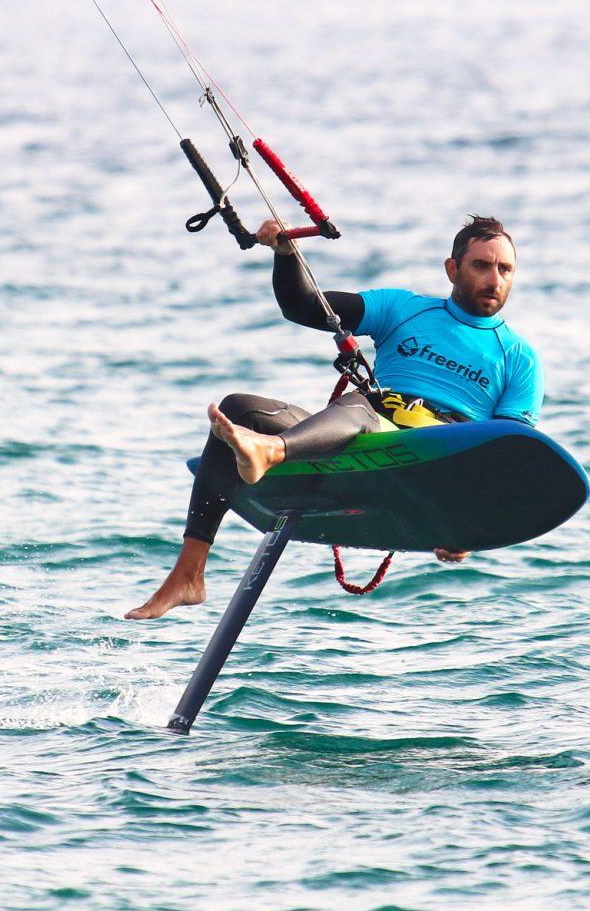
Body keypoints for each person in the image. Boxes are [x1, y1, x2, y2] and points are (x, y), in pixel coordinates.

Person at [124, 214, 544, 620]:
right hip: (365, 434)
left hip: (432, 460)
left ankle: (272, 451)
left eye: (505, 269)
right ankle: (189, 575)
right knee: (237, 410)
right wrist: (285, 255)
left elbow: (508, 455)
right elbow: (306, 307)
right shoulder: (404, 309)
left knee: (359, 407)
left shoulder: (519, 356)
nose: (494, 279)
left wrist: (466, 523)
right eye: (481, 266)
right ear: (452, 269)